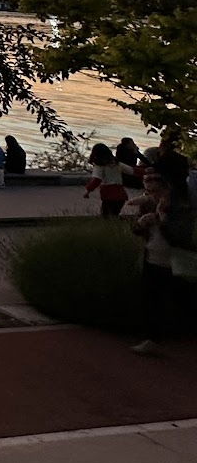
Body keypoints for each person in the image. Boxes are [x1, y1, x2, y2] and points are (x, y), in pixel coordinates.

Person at [126, 173, 194, 354]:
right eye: (149, 192)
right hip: (153, 257)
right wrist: (141, 224)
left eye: (156, 191)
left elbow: (180, 238)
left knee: (180, 299)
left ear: (167, 189)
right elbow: (137, 230)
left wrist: (161, 221)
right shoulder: (150, 205)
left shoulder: (181, 209)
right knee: (151, 300)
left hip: (174, 261)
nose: (153, 196)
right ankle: (152, 339)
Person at [84, 143, 129, 219]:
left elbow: (97, 180)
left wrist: (88, 191)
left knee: (106, 216)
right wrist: (146, 171)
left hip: (108, 194)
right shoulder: (117, 164)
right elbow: (132, 171)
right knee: (115, 214)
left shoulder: (99, 166)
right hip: (120, 194)